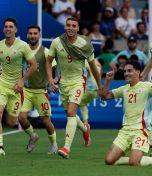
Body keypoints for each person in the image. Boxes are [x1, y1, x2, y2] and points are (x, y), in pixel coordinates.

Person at [46, 17, 102, 159]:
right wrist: (51, 80)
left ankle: (66, 148)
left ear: (78, 28)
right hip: (63, 83)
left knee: (71, 112)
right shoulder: (57, 42)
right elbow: (48, 61)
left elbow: (94, 67)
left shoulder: (85, 44)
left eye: (74, 25)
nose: (71, 27)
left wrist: (100, 86)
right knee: (69, 114)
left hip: (78, 82)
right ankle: (85, 129)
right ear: (65, 27)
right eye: (68, 25)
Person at [101, 60, 152, 166]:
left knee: (134, 162)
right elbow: (104, 97)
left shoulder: (147, 87)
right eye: (125, 71)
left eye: (129, 71)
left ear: (138, 72)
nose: (126, 73)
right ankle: (143, 158)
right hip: (125, 131)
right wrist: (108, 81)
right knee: (108, 161)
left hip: (141, 131)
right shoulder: (124, 89)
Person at [0, 18, 37, 156]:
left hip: (16, 88)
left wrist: (22, 81)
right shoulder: (0, 45)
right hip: (2, 85)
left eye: (11, 27)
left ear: (15, 29)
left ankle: (33, 135)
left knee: (11, 122)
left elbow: (33, 65)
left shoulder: (22, 46)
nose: (8, 29)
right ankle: (0, 146)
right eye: (6, 26)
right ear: (4, 29)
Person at [18, 25, 58, 154]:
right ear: (27, 35)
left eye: (35, 33)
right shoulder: (22, 50)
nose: (33, 36)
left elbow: (54, 66)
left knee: (46, 121)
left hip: (41, 91)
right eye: (30, 33)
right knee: (21, 118)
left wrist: (52, 80)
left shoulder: (45, 51)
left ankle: (54, 144)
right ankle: (32, 135)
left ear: (39, 35)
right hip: (26, 90)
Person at [79, 60, 102, 125]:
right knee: (82, 103)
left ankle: (79, 122)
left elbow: (88, 71)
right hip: (95, 89)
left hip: (89, 87)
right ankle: (85, 122)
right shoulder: (97, 61)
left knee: (77, 103)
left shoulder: (85, 60)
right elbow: (99, 75)